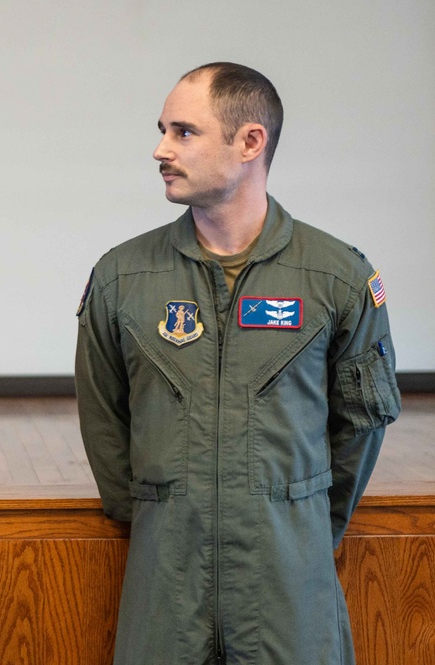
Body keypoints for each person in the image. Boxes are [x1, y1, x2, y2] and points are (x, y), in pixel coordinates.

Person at [75, 62, 400, 664]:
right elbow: (104, 420)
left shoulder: (337, 278)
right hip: (165, 589)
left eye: (184, 132)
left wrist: (295, 523)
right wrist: (162, 514)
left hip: (288, 595)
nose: (160, 149)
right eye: (162, 130)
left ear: (250, 142)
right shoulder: (123, 277)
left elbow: (360, 428)